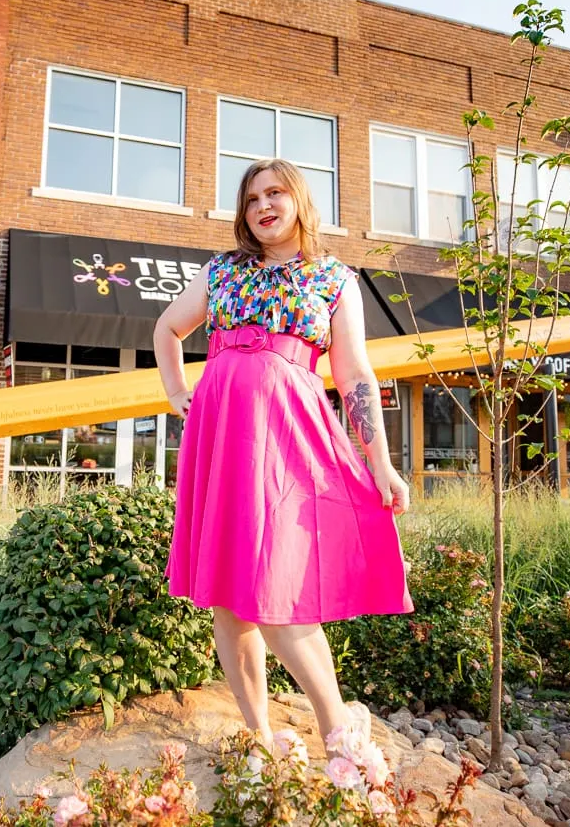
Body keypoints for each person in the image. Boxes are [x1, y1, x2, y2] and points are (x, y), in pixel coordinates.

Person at [152, 157, 414, 749]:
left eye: (274, 193)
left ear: (297, 201)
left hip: (290, 436)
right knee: (230, 595)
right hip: (223, 436)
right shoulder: (221, 271)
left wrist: (380, 460)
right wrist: (178, 394)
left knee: (277, 586)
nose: (263, 206)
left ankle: (338, 733)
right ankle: (259, 734)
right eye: (251, 199)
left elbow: (353, 376)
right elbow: (166, 329)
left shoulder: (333, 278)